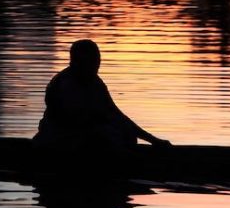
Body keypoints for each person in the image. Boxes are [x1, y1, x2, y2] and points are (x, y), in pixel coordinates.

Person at [34, 39, 171, 155]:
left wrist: (153, 140)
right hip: (58, 139)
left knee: (127, 134)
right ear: (77, 62)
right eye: (92, 61)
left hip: (81, 134)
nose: (96, 66)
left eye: (97, 61)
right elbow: (76, 122)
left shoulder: (95, 82)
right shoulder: (65, 84)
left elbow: (115, 114)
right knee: (106, 137)